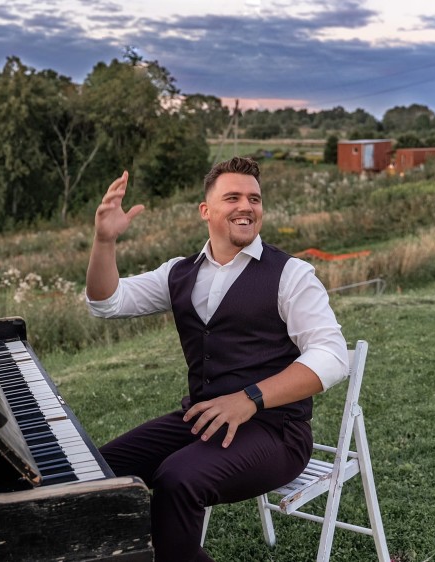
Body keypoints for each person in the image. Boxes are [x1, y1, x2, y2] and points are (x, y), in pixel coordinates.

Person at [85, 156, 348, 562]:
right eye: (233, 197)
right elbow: (106, 302)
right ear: (205, 211)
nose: (247, 206)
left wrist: (249, 399)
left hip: (276, 433)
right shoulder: (179, 273)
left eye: (254, 198)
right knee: (97, 471)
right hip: (202, 419)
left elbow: (332, 356)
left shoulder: (291, 274)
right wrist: (104, 241)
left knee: (178, 480)